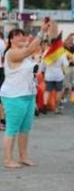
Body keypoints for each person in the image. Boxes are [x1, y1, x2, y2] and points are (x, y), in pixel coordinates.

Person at [2, 21, 53, 168]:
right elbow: (29, 50)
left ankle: (23, 156)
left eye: (22, 35)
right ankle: (8, 160)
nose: (20, 38)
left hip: (28, 95)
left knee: (25, 129)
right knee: (12, 128)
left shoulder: (26, 54)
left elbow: (32, 50)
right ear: (11, 40)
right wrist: (41, 32)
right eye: (16, 36)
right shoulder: (12, 53)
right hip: (14, 96)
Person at [42, 43, 69, 114]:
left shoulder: (47, 52)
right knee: (58, 91)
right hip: (58, 75)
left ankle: (44, 104)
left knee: (47, 90)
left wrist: (43, 70)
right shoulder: (61, 52)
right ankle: (56, 108)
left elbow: (43, 63)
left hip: (49, 74)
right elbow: (66, 64)